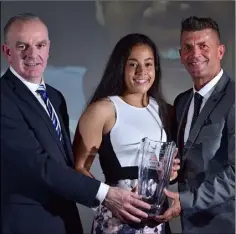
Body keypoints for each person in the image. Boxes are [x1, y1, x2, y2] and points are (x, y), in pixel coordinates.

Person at [0, 13, 152, 234]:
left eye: (40, 45)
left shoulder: (55, 97)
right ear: (7, 52)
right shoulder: (3, 97)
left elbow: (65, 162)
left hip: (65, 221)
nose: (33, 54)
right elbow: (38, 165)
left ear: (48, 48)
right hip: (27, 223)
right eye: (22, 46)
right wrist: (105, 194)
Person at [72, 33, 180, 234]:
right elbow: (77, 169)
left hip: (156, 224)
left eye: (148, 64)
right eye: (133, 64)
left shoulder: (167, 111)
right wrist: (108, 200)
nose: (142, 71)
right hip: (116, 222)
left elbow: (172, 171)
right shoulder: (103, 110)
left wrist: (171, 173)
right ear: (120, 67)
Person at [155, 16, 235, 234]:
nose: (195, 54)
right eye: (188, 48)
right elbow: (184, 160)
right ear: (181, 55)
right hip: (189, 225)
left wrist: (187, 201)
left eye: (203, 46)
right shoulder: (182, 102)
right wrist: (169, 172)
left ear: (220, 51)